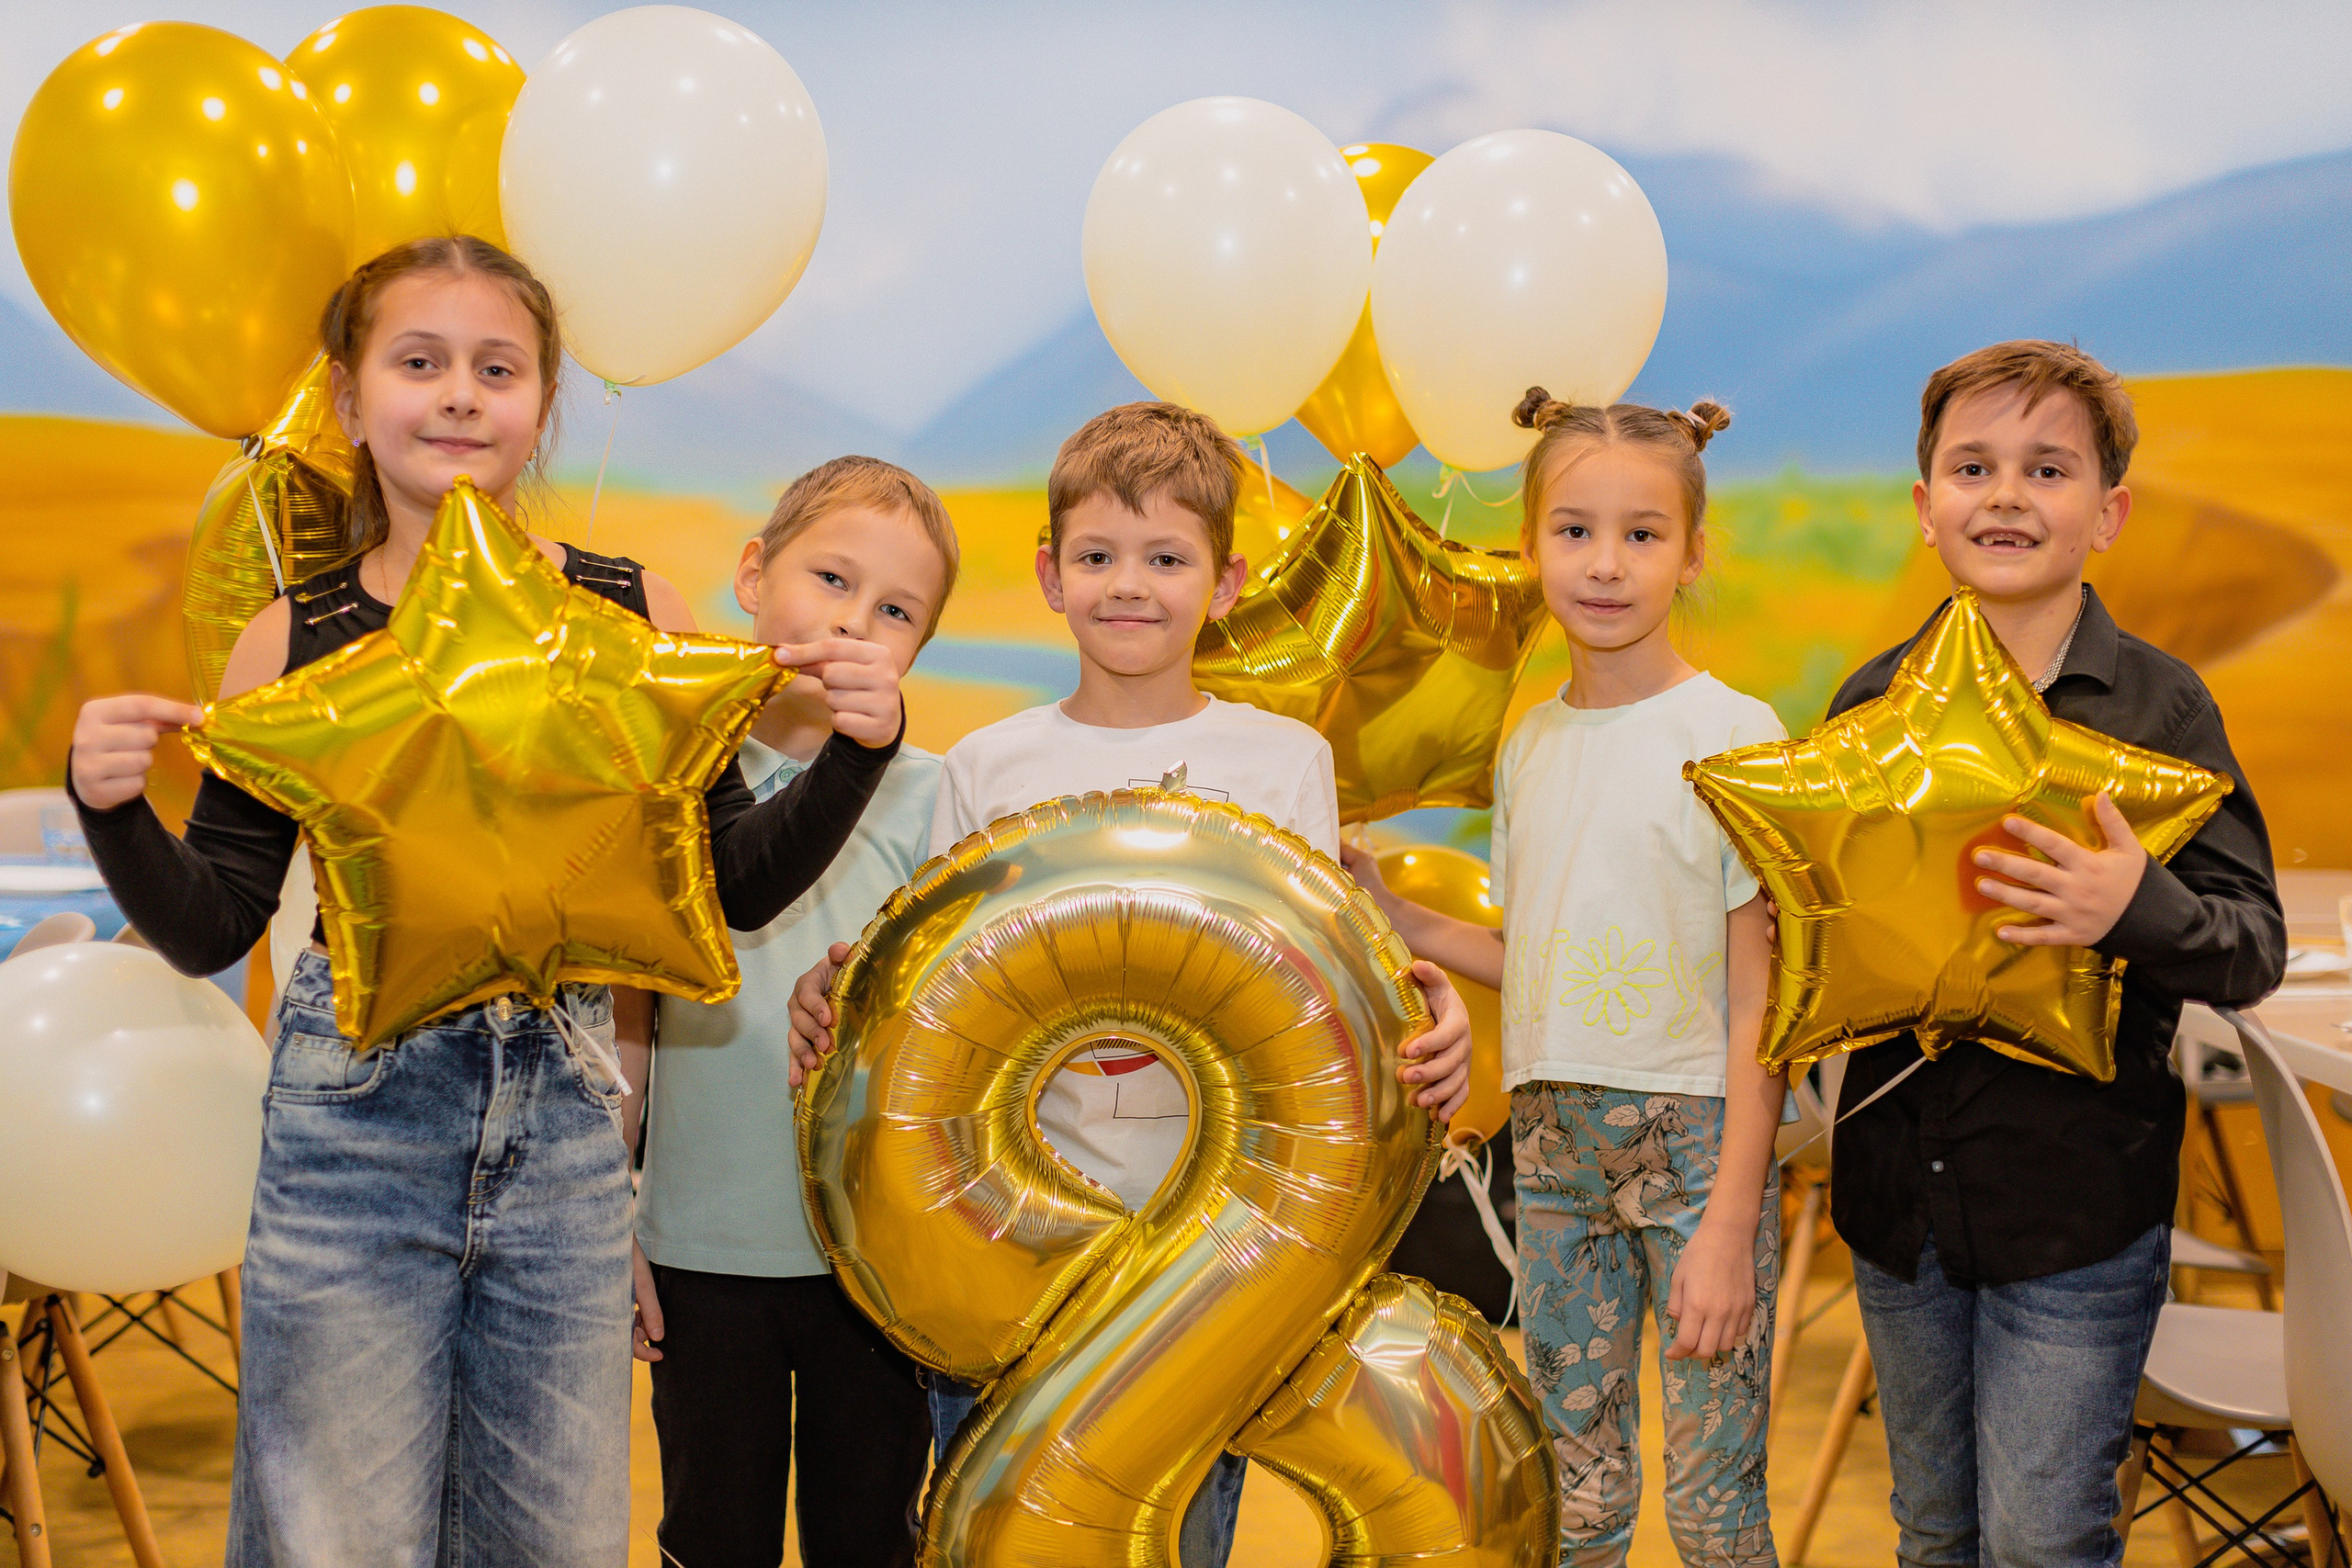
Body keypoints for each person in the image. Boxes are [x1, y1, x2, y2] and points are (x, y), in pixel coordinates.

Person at [62, 235, 905, 1567]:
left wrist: (858, 751)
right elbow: (217, 919)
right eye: (420, 360)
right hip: (353, 1141)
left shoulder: (631, 613)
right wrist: (112, 809)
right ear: (350, 398)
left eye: (497, 368)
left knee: (553, 1536)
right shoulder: (296, 635)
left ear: (541, 403)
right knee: (336, 1533)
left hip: (564, 1142)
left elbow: (731, 884)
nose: (460, 394)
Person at [785, 400, 1476, 1567]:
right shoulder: (992, 766)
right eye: (1098, 557)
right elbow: (935, 991)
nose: (1129, 586)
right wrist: (835, 995)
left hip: (1212, 1263)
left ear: (1225, 578)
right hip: (1013, 1254)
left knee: (1177, 1538)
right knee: (998, 1526)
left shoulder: (1282, 762)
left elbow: (1339, 987)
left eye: (1167, 558)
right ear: (1051, 576)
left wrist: (1435, 1018)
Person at [1826, 340, 2285, 1568]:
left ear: (2109, 511)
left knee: (2043, 1535)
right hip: (1898, 1208)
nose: (2009, 494)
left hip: (2081, 1213)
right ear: (1927, 509)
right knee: (1935, 1528)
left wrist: (2133, 900)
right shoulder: (1868, 705)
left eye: (2049, 467)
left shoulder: (2165, 709)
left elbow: (2251, 947)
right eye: (1973, 466)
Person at [1350, 389, 1786, 1567]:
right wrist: (1406, 922)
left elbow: (1765, 1005)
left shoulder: (1739, 736)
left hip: (1699, 1155)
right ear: (1532, 543)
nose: (1605, 564)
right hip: (1548, 1156)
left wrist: (1733, 1221)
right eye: (1574, 530)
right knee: (1574, 1500)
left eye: (1642, 534)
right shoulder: (1529, 742)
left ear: (1692, 551)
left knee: (1711, 1509)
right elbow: (1540, 958)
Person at [618, 456, 958, 1568]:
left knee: (869, 1533)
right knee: (711, 1532)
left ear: (918, 650)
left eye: (894, 610)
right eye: (830, 578)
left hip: (873, 1259)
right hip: (699, 1250)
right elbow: (627, 1009)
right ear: (753, 575)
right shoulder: (678, 773)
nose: (855, 622)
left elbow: (956, 1022)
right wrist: (611, 1213)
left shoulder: (931, 793)